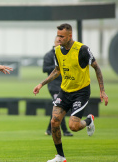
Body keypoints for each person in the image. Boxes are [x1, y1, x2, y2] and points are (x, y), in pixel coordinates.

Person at [33, 23, 108, 162]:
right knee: (54, 122)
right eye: (57, 36)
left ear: (70, 36)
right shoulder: (57, 51)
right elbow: (57, 70)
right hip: (65, 91)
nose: (59, 39)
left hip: (81, 92)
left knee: (73, 127)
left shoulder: (82, 49)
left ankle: (89, 120)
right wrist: (41, 84)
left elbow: (96, 68)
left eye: (62, 36)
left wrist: (102, 91)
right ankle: (60, 156)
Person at [43, 37, 73, 137]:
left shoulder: (66, 53)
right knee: (59, 107)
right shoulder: (49, 55)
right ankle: (65, 131)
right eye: (57, 42)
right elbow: (44, 68)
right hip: (54, 86)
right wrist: (58, 66)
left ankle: (49, 129)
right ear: (54, 43)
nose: (59, 43)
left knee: (57, 107)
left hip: (64, 85)